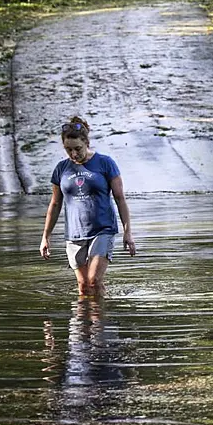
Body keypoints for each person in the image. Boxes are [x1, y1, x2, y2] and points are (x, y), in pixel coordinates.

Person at [40, 116, 136, 297]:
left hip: (103, 229)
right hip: (74, 233)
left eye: (77, 149)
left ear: (86, 142)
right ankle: (85, 323)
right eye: (68, 150)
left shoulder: (105, 163)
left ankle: (99, 324)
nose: (74, 154)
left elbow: (120, 198)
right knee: (84, 286)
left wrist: (127, 232)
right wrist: (46, 236)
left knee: (93, 280)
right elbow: (55, 203)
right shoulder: (61, 169)